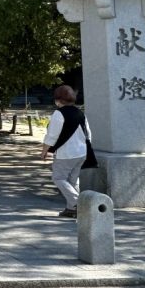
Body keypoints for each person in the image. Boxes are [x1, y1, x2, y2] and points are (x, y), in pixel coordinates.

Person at [40, 84, 92, 218]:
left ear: (58, 99)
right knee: (73, 180)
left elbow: (52, 136)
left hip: (66, 154)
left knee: (59, 177)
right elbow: (88, 134)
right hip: (82, 152)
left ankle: (76, 202)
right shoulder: (80, 112)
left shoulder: (59, 113)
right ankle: (71, 209)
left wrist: (44, 151)